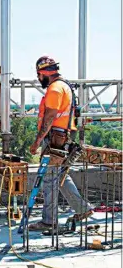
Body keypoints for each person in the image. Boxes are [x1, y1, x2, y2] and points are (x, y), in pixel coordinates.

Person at [28, 56, 93, 231]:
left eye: (38, 75)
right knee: (60, 175)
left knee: (50, 180)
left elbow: (49, 118)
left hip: (55, 139)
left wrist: (37, 142)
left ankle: (49, 221)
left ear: (42, 73)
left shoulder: (55, 89)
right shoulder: (65, 85)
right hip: (63, 136)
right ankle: (82, 208)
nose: (39, 79)